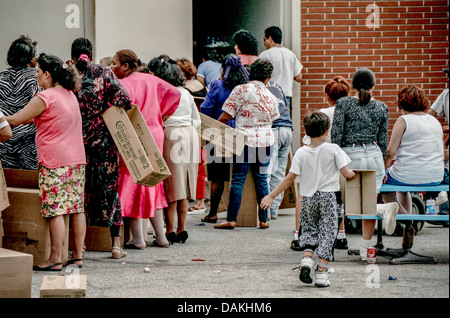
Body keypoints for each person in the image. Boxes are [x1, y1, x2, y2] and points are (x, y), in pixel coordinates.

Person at [6, 53, 87, 270]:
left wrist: (2, 119)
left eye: (39, 72)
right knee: (76, 208)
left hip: (54, 160)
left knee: (55, 210)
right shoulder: (70, 95)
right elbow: (39, 117)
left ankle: (54, 259)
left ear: (48, 74)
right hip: (76, 160)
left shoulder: (45, 97)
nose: (36, 77)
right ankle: (77, 255)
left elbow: (15, 120)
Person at [261, 111, 356, 287]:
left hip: (308, 198)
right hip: (329, 197)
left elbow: (289, 178)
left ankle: (306, 260)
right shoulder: (334, 149)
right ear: (327, 131)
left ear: (306, 132)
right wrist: (352, 174)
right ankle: (321, 273)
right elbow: (346, 173)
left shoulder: (301, 152)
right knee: (328, 233)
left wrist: (271, 195)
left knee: (310, 229)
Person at [111, 50, 181, 248]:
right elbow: (175, 93)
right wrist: (162, 114)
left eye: (114, 63)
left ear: (125, 66)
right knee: (153, 182)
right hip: (155, 132)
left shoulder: (122, 84)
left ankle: (138, 238)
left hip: (135, 134)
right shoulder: (152, 80)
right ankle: (161, 236)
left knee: (133, 180)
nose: (111, 67)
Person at [71, 38, 132, 259]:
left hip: (76, 143)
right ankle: (115, 245)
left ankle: (82, 246)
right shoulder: (103, 71)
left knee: (81, 192)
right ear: (91, 52)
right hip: (104, 143)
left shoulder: (68, 74)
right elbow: (124, 99)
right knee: (109, 191)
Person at [331, 68, 398, 261]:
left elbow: (336, 136)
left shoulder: (343, 104)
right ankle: (366, 252)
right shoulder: (382, 107)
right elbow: (383, 141)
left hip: (350, 155)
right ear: (374, 86)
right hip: (374, 155)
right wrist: (383, 167)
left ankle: (332, 246)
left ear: (352, 85)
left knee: (343, 202)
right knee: (370, 199)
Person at [214, 59, 280, 230]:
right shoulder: (271, 95)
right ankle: (263, 219)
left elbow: (226, 116)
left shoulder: (241, 90)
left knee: (238, 179)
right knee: (261, 180)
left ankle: (231, 219)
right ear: (268, 78)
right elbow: (273, 119)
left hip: (246, 141)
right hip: (266, 142)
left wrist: (216, 130)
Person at [148, 57, 201, 244]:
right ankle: (182, 227)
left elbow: (158, 116)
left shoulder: (163, 92)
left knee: (171, 184)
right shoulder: (186, 93)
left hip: (171, 134)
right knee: (186, 184)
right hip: (190, 134)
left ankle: (169, 228)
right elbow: (197, 120)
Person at [298, 76, 351, 250]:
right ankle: (340, 234)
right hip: (343, 160)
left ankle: (299, 232)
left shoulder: (322, 114)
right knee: (338, 197)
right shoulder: (350, 113)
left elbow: (307, 142)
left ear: (327, 96)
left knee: (304, 193)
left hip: (320, 160)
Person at [199, 54, 249, 223]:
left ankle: (213, 213)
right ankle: (242, 213)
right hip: (242, 133)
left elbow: (206, 109)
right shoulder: (246, 86)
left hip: (219, 132)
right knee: (240, 175)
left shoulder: (217, 85)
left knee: (217, 175)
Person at [382, 85, 444, 213]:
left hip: (406, 175)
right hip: (435, 176)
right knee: (402, 189)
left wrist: (382, 171)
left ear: (402, 102)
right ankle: (409, 223)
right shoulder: (434, 121)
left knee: (383, 188)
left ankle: (408, 221)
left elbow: (390, 152)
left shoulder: (403, 120)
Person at [0, 35, 40, 170]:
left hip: (4, 140)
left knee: (6, 184)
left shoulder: (1, 77)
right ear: (30, 57)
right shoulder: (35, 78)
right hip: (28, 143)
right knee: (29, 185)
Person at [176, 57, 207, 212]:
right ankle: (200, 200)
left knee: (183, 167)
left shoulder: (183, 89)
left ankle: (187, 198)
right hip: (200, 127)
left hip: (185, 128)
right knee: (200, 166)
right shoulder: (201, 85)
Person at [265, 80, 293, 221]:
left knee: (268, 170)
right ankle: (274, 209)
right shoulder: (277, 85)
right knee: (280, 171)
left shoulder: (258, 88)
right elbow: (286, 108)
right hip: (287, 128)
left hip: (274, 128)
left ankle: (266, 211)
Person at [259, 26, 303, 114]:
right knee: (285, 122)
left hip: (269, 95)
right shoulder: (290, 54)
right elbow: (299, 78)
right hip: (286, 97)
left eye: (264, 40)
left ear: (270, 39)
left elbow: (258, 76)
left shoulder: (264, 55)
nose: (264, 43)